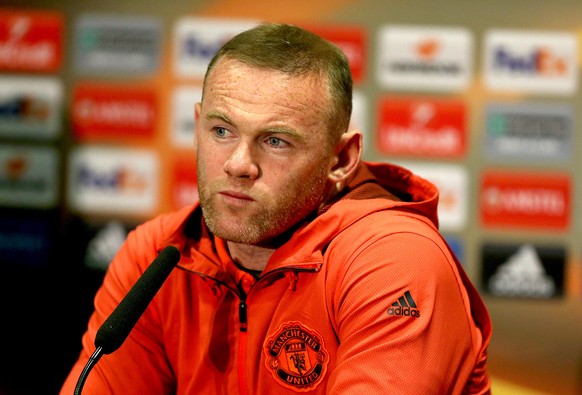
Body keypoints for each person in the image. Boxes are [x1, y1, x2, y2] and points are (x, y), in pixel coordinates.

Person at [60, 22, 492, 394]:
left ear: (340, 160)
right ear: (196, 127)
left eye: (275, 141)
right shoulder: (158, 255)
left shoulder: (392, 261)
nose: (238, 164)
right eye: (222, 130)